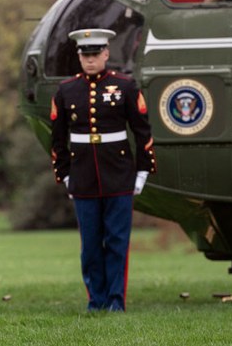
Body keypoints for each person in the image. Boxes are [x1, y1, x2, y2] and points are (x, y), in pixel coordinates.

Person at [49, 28, 157, 312]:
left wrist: (143, 171)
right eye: (85, 54)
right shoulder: (66, 90)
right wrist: (65, 174)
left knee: (118, 241)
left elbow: (142, 131)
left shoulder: (125, 86)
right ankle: (95, 300)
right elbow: (58, 138)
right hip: (83, 176)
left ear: (106, 53)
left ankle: (116, 300)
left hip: (119, 174)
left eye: (95, 54)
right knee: (90, 245)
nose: (90, 59)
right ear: (79, 56)